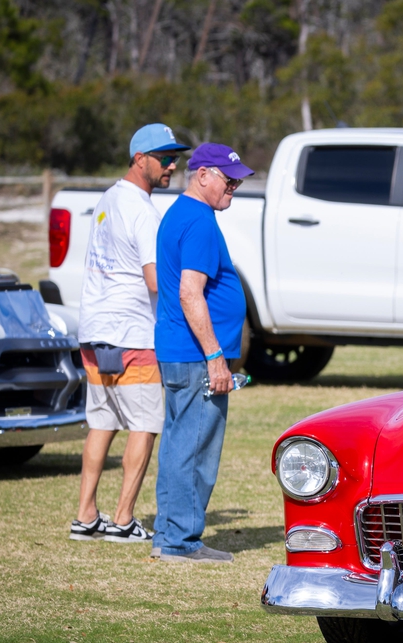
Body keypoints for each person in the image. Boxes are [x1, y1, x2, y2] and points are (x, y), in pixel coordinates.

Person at [69, 123, 190, 543]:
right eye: (164, 157)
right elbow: (156, 281)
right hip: (132, 333)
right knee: (145, 423)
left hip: (95, 331)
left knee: (101, 422)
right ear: (140, 159)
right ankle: (122, 520)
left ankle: (85, 516)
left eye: (175, 157)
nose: (172, 165)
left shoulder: (107, 200)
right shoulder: (142, 209)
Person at [150, 143, 252, 563]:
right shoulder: (198, 221)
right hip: (195, 357)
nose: (234, 187)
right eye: (229, 180)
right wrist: (215, 356)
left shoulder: (182, 213)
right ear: (203, 175)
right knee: (195, 446)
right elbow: (190, 293)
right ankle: (179, 540)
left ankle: (170, 534)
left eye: (238, 181)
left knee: (179, 443)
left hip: (180, 352)